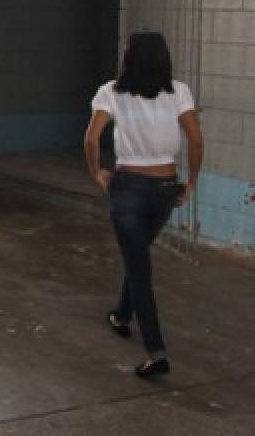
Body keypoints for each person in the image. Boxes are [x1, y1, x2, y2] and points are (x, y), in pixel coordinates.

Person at [83, 31, 203, 379]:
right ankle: (121, 315)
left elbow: (92, 139)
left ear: (129, 58)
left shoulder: (112, 92)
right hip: (166, 186)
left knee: (139, 267)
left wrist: (98, 173)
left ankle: (156, 351)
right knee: (138, 257)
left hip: (129, 187)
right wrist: (191, 181)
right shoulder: (179, 91)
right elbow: (195, 139)